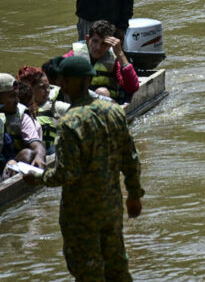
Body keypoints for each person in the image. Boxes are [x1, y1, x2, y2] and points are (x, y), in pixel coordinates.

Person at [22, 56, 143, 281]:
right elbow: (131, 158)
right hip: (111, 206)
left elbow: (67, 174)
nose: (63, 85)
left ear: (71, 82)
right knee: (117, 268)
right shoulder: (114, 112)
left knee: (87, 272)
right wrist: (134, 195)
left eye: (65, 81)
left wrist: (38, 177)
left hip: (80, 214)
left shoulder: (70, 122)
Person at [64, 19, 140, 104]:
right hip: (79, 104)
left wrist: (120, 53)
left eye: (104, 44)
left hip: (104, 107)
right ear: (88, 39)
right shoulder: (74, 56)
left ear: (109, 45)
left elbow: (133, 87)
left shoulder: (113, 60)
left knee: (102, 92)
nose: (98, 48)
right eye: (95, 41)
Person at [0, 73, 47, 180]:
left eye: (17, 95)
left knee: (28, 154)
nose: (17, 100)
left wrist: (39, 157)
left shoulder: (21, 115)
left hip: (11, 165)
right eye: (12, 96)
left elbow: (37, 146)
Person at [17, 66, 64, 154]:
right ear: (29, 88)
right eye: (42, 87)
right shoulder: (16, 109)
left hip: (51, 154)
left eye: (48, 87)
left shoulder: (55, 106)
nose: (47, 91)